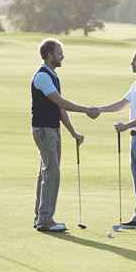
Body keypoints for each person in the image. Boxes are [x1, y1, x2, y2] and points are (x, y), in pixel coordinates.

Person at [31, 38, 99, 232]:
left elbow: (60, 110)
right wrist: (86, 109)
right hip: (44, 130)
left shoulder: (53, 76)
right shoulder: (43, 76)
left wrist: (73, 133)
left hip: (51, 130)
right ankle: (45, 220)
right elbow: (60, 102)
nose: (62, 55)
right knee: (51, 172)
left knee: (47, 172)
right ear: (49, 55)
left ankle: (41, 217)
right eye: (59, 52)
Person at [95, 48, 136, 232]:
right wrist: (98, 109)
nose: (132, 63)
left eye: (135, 60)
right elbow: (121, 104)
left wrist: (127, 125)